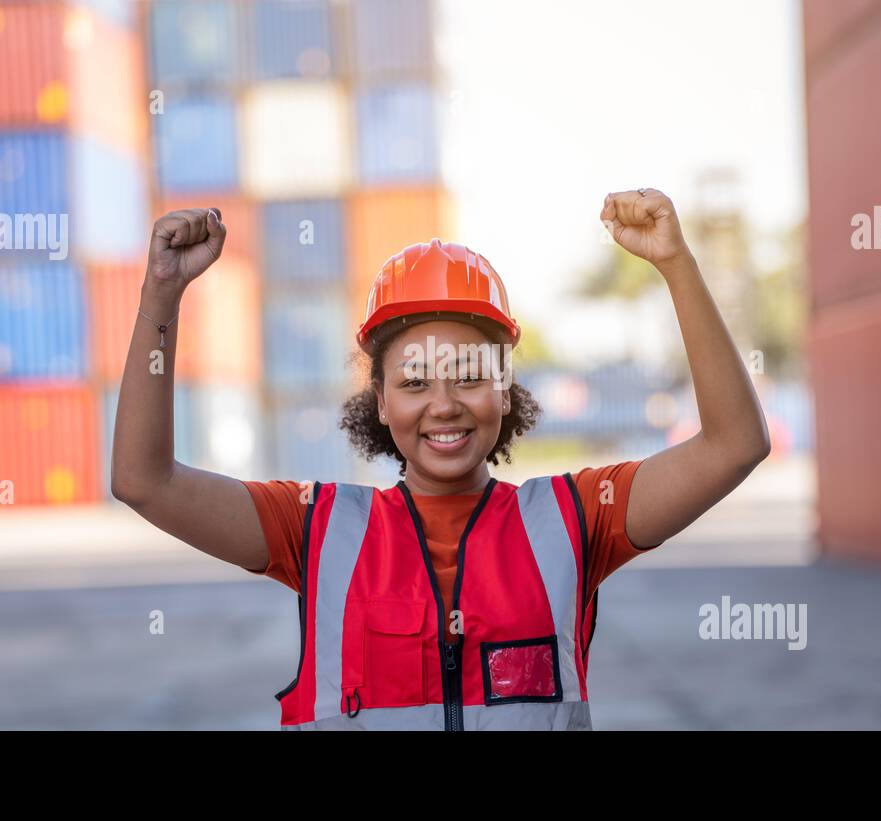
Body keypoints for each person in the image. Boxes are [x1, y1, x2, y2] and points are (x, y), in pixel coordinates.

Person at [111, 189, 771, 730]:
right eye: (416, 381)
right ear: (380, 399)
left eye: (468, 374)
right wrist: (162, 295)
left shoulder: (575, 519)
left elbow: (734, 444)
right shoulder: (312, 528)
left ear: (504, 386)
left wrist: (677, 265)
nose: (445, 404)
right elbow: (145, 482)